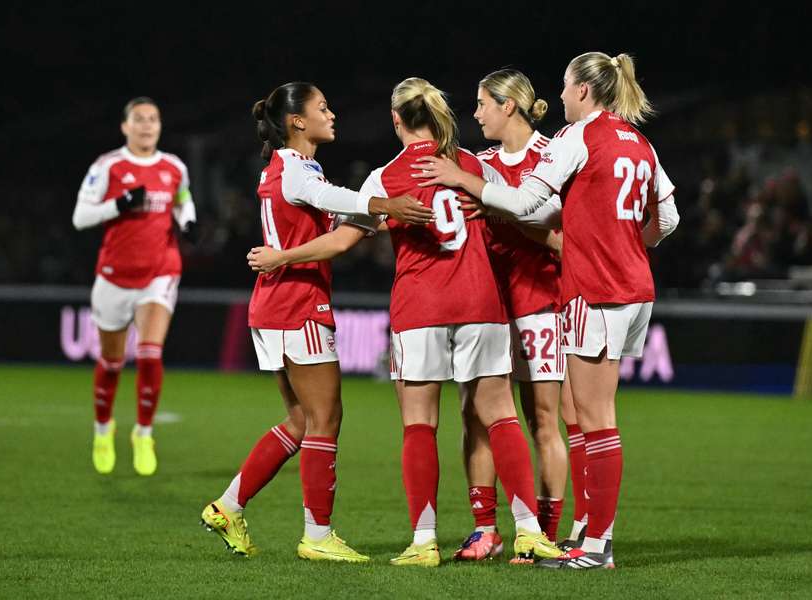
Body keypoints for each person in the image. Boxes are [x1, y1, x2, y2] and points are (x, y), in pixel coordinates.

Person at [247, 77, 563, 567]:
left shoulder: (384, 178)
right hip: (481, 302)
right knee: (500, 415)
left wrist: (281, 256)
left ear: (396, 120)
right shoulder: (473, 165)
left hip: (420, 309)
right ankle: (528, 531)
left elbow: (339, 243)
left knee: (420, 424)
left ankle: (424, 541)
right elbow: (532, 209)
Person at [412, 53, 680, 569]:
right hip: (636, 288)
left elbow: (527, 203)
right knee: (584, 417)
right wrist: (623, 242)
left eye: (564, 87)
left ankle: (596, 544)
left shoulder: (576, 137)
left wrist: (469, 183)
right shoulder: (639, 141)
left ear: (583, 90)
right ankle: (588, 533)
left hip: (594, 290)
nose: (558, 97)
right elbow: (666, 216)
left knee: (594, 421)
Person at [200, 82, 433, 563]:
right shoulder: (293, 168)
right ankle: (317, 534)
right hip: (296, 304)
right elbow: (332, 196)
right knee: (326, 418)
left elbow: (330, 217)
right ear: (297, 122)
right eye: (322, 108)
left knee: (302, 420)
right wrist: (386, 204)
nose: (332, 114)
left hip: (276, 304)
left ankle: (228, 506)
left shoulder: (293, 167)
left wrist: (385, 219)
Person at [452, 69, 587, 562]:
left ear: (508, 106)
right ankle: (485, 528)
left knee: (543, 419)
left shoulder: (555, 157)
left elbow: (565, 237)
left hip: (538, 303)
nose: (477, 112)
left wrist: (501, 210)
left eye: (483, 102)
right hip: (485, 306)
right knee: (475, 415)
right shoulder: (479, 163)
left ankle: (543, 535)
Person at [73, 96, 198, 477]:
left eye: (153, 119)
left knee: (149, 352)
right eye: (139, 120)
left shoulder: (173, 166)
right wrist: (120, 204)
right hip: (113, 275)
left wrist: (188, 221)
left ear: (160, 126)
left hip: (160, 271)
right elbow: (80, 218)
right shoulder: (107, 166)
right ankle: (102, 429)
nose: (147, 126)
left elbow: (183, 201)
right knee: (111, 362)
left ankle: (143, 433)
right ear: (125, 127)